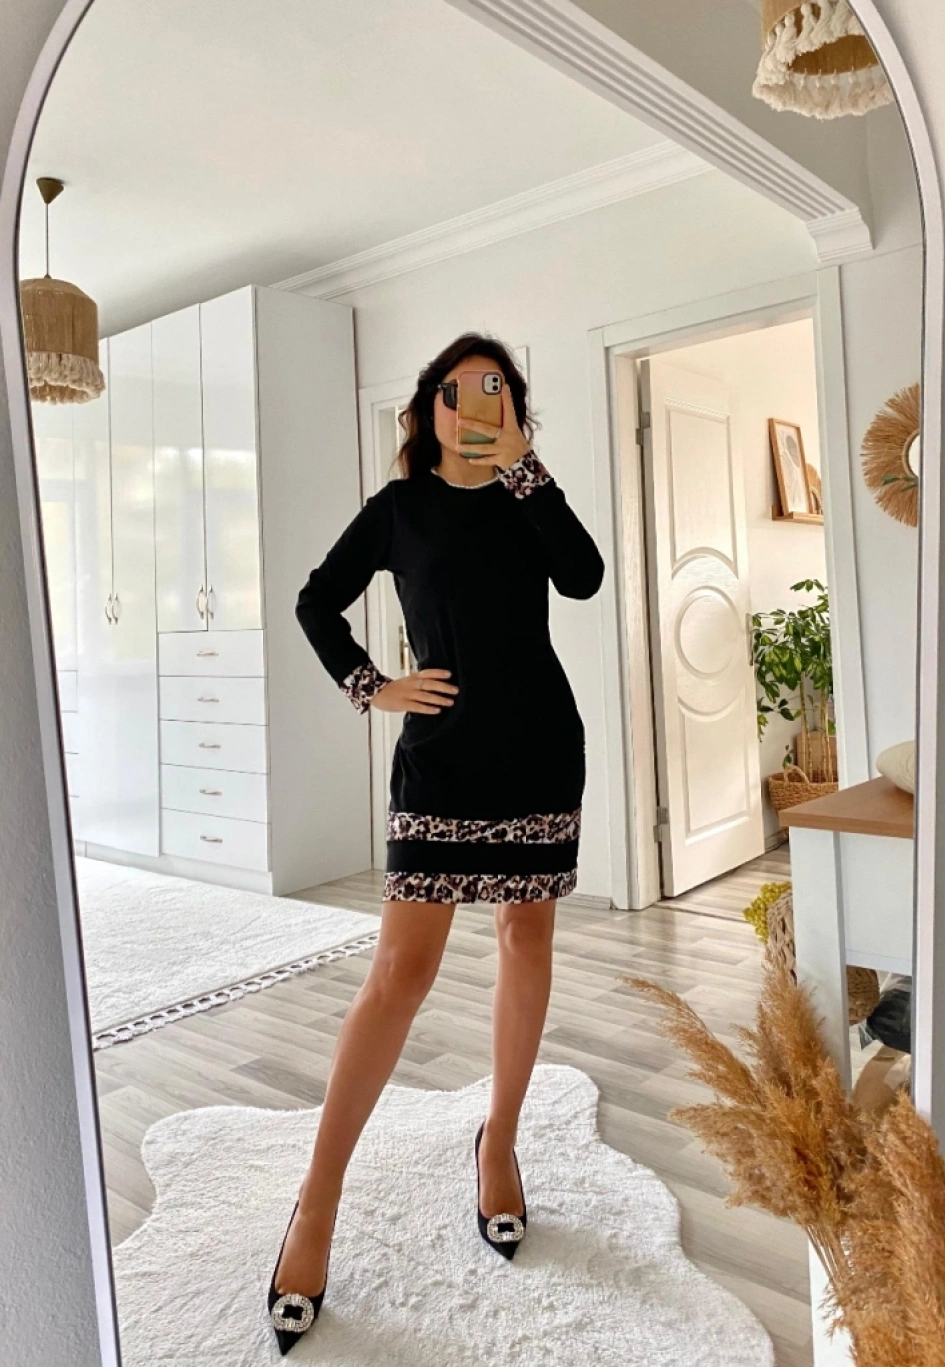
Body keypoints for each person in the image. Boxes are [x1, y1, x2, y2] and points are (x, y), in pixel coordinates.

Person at [265, 332, 604, 1354]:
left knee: (524, 938)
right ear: (429, 410)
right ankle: (317, 1200)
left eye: (493, 389)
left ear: (512, 408)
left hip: (537, 753)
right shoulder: (400, 507)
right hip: (441, 764)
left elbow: (583, 576)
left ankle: (499, 1142)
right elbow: (315, 601)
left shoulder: (527, 497)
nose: (473, 405)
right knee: (398, 973)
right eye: (455, 392)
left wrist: (526, 469)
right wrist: (374, 686)